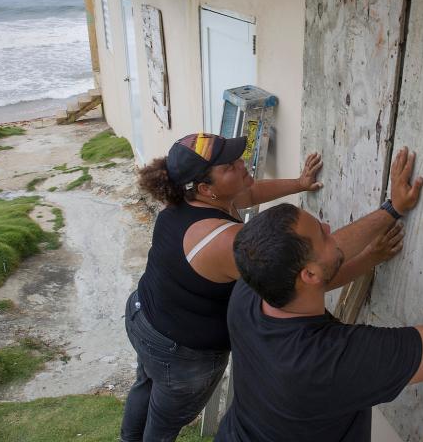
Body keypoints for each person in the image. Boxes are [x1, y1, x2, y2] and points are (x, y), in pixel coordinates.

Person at [215, 149, 423, 441]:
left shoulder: (254, 285)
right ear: (309, 274)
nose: (330, 230)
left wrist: (392, 209)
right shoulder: (328, 363)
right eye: (321, 234)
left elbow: (322, 264)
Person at [120, 132, 402, 441]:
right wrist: (389, 215)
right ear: (205, 188)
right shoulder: (225, 243)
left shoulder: (190, 198)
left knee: (145, 386)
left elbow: (250, 194)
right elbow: (317, 268)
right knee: (164, 421)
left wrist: (299, 183)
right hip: (181, 350)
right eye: (229, 166)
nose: (241, 165)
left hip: (142, 315)